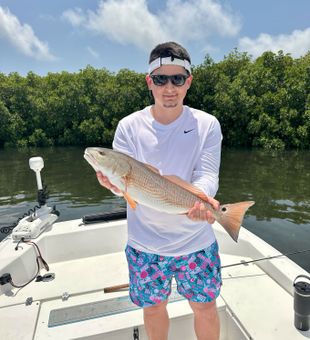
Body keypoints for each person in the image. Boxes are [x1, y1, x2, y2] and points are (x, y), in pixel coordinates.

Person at [97, 41, 222, 340]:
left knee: (205, 307)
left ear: (188, 82)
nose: (169, 88)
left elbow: (207, 174)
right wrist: (112, 186)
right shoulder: (128, 127)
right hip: (145, 245)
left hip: (196, 241)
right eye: (160, 79)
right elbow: (124, 186)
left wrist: (201, 200)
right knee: (153, 309)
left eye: (177, 79)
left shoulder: (207, 124)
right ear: (148, 82)